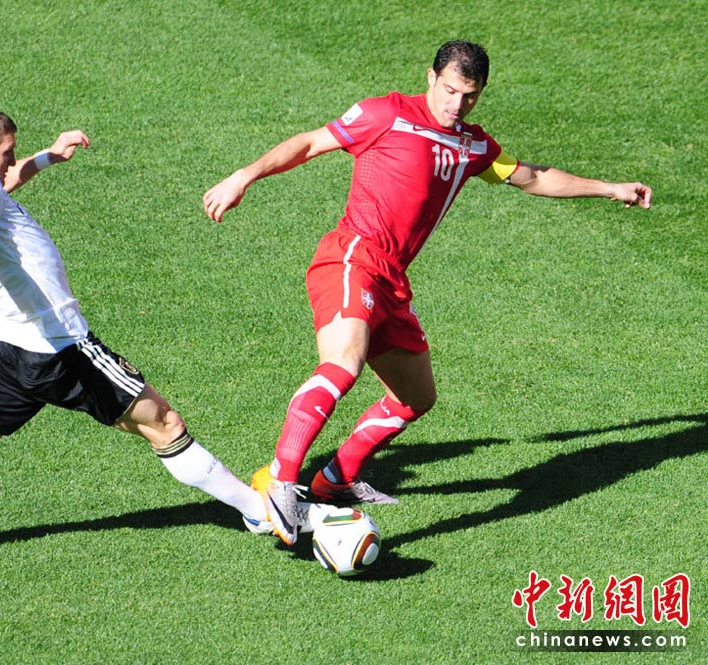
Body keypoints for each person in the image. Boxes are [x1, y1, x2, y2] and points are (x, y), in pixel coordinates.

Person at [0, 103, 328, 566]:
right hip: (60, 349)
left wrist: (47, 157)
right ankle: (260, 512)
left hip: (7, 348)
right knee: (165, 424)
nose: (10, 162)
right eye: (6, 154)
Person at [203, 40, 652, 546]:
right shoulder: (386, 115)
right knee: (343, 364)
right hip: (352, 258)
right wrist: (243, 176)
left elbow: (533, 178)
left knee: (415, 398)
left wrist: (610, 188)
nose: (457, 104)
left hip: (392, 280)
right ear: (432, 77)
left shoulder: (474, 146)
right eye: (450, 90)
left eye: (470, 96)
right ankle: (282, 484)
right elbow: (309, 144)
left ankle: (335, 480)